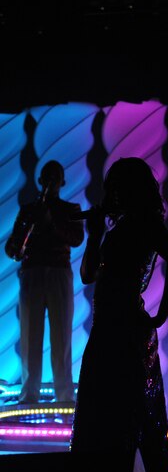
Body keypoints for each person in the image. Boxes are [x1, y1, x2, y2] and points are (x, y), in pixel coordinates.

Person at [70, 157, 168, 472]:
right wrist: (93, 234)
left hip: (128, 332)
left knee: (135, 419)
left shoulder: (145, 222)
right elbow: (88, 275)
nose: (111, 195)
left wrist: (161, 314)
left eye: (117, 188)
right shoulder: (117, 226)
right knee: (100, 415)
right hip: (106, 330)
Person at [4, 161, 83, 404]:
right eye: (48, 176)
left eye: (55, 177)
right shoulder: (29, 210)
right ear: (41, 181)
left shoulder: (70, 209)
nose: (51, 181)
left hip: (58, 272)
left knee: (62, 336)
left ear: (62, 182)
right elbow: (12, 247)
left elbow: (77, 238)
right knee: (30, 335)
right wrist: (27, 231)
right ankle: (29, 393)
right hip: (33, 272)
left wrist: (51, 223)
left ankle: (64, 395)